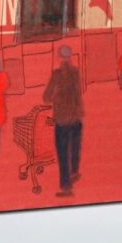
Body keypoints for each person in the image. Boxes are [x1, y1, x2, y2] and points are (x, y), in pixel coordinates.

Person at [43, 44, 84, 197]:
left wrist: (55, 98)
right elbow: (78, 94)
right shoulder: (76, 73)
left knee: (63, 153)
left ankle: (66, 187)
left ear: (59, 57)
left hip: (61, 119)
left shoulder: (56, 75)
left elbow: (46, 97)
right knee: (75, 146)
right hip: (75, 117)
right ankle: (74, 171)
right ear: (71, 57)